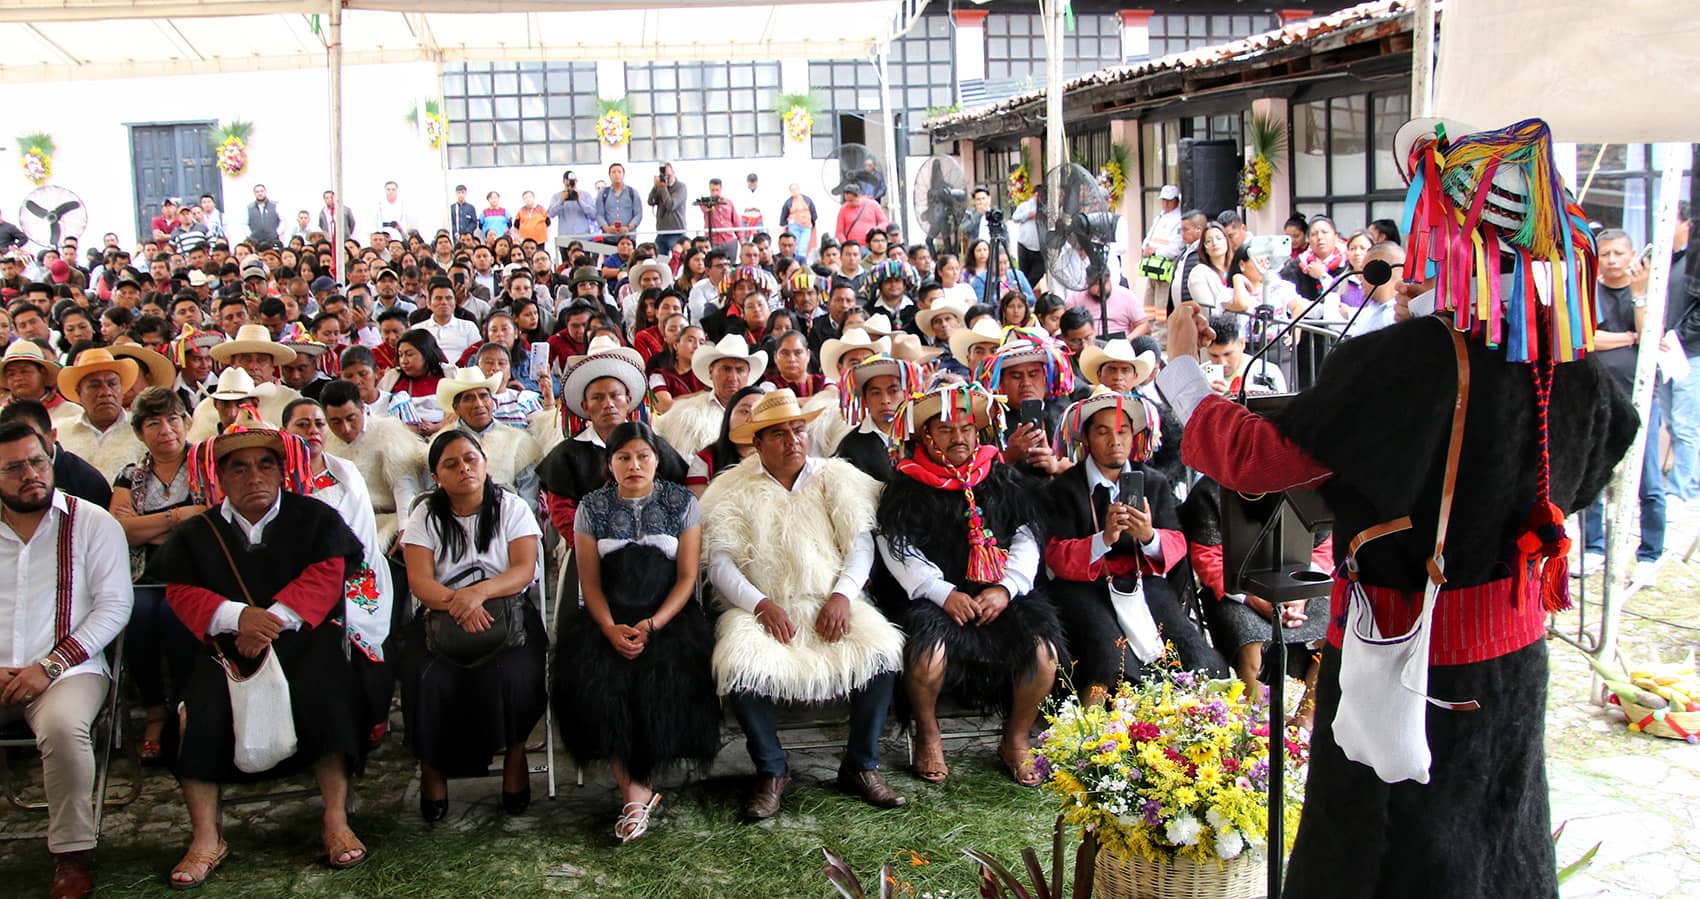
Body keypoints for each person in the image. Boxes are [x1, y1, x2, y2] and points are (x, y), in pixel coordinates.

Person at [1153, 118, 1637, 898]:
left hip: (1404, 664)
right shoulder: (1565, 354)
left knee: (1383, 855)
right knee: (1496, 848)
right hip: (1512, 657)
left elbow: (1246, 458)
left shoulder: (1409, 359)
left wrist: (1181, 368)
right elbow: (1595, 458)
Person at [146, 408, 370, 886]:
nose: (254, 476)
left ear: (281, 468)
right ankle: (208, 836)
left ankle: (335, 820)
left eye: (265, 464)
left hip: (302, 641)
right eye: (240, 467)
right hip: (223, 650)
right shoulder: (196, 533)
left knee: (326, 690)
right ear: (221, 475)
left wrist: (268, 623)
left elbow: (328, 575)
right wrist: (237, 619)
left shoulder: (315, 518)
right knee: (198, 708)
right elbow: (181, 592)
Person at [701, 389, 907, 820]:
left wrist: (842, 595)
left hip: (831, 599)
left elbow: (861, 545)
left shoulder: (837, 476)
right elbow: (720, 562)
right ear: (757, 443)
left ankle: (860, 765)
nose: (793, 440)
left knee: (883, 650)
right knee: (737, 661)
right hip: (762, 604)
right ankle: (772, 770)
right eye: (778, 434)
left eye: (799, 430)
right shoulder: (730, 488)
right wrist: (759, 605)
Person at [874, 381, 1063, 785]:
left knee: (1044, 654)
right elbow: (897, 546)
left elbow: (1027, 535)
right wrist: (943, 593)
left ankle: (1015, 739)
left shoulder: (999, 476)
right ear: (926, 434)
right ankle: (928, 735)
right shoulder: (907, 483)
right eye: (945, 429)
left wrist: (1006, 588)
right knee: (928, 657)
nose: (958, 437)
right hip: (938, 596)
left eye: (966, 428)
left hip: (1000, 592)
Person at [553, 422, 719, 842]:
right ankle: (634, 795)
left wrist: (653, 624)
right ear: (609, 463)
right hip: (607, 616)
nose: (634, 465)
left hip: (668, 616)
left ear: (657, 459)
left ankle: (638, 791)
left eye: (643, 456)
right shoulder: (592, 507)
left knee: (658, 675)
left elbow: (686, 579)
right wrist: (609, 627)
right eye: (623, 457)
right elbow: (588, 582)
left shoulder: (682, 503)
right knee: (604, 680)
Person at [0, 420, 131, 899]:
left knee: (62, 728)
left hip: (68, 671)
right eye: (13, 467)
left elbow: (115, 606)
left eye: (37, 461)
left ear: (51, 456)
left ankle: (70, 857)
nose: (30, 474)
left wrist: (48, 667)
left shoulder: (92, 521)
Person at [400, 429, 546, 820]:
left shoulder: (512, 507)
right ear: (437, 477)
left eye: (470, 458)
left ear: (484, 462)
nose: (464, 468)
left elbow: (522, 570)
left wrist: (478, 594)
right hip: (441, 612)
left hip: (507, 608)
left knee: (517, 672)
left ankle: (515, 757)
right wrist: (459, 602)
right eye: (451, 463)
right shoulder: (425, 514)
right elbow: (420, 581)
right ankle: (432, 768)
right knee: (424, 675)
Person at [1043, 387, 1224, 694]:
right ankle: (1102, 732)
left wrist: (1149, 536)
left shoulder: (1153, 482)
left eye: (1122, 431)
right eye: (1102, 432)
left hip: (1143, 580)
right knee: (1109, 658)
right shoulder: (1063, 489)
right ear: (1086, 439)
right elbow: (1055, 555)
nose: (1115, 440)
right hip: (1084, 588)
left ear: (1133, 435)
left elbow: (1177, 541)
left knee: (1193, 653)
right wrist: (1105, 538)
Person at [282, 399, 396, 744]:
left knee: (354, 629)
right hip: (290, 578)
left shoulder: (345, 475)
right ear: (285, 431)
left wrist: (331, 574)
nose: (313, 431)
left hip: (353, 574)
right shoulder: (276, 478)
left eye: (318, 424)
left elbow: (359, 538)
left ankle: (366, 716)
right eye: (302, 425)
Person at [109, 388, 211, 765]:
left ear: (186, 421)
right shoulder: (131, 473)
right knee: (134, 614)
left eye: (172, 419)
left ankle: (187, 708)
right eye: (153, 422)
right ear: (139, 432)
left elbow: (211, 518)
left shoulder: (207, 464)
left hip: (197, 570)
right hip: (146, 573)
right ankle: (155, 712)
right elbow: (119, 529)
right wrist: (179, 516)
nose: (165, 429)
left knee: (176, 614)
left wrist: (145, 524)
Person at [1580, 228, 1665, 585]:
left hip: (1640, 396)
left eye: (1619, 253)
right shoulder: (1590, 293)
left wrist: (1638, 295)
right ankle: (1594, 547)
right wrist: (1627, 337)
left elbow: (1651, 339)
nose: (1613, 260)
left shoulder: (1645, 291)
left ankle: (1650, 553)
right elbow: (1589, 337)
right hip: (1600, 397)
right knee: (1594, 475)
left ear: (1631, 255)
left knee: (1648, 480)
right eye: (1607, 254)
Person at [539, 336, 687, 536]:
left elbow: (680, 495)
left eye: (615, 395)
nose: (608, 404)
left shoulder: (654, 445)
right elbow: (562, 513)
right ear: (585, 406)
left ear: (628, 399)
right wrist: (594, 544)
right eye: (597, 398)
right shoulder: (566, 454)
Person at [321, 379, 427, 549]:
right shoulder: (324, 440)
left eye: (351, 418)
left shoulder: (388, 431)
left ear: (363, 408)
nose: (345, 428)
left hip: (385, 521)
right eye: (336, 422)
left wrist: (406, 527)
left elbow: (404, 485)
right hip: (343, 523)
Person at [437, 367, 543, 512]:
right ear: (456, 408)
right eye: (469, 398)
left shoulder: (519, 442)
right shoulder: (440, 444)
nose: (478, 404)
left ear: (493, 402)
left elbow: (528, 498)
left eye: (483, 396)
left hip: (509, 520)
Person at [654, 333, 764, 457]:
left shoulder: (763, 413)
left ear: (748, 374)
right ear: (711, 372)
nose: (733, 378)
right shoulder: (687, 415)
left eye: (740, 370)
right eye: (726, 369)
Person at [189, 324, 301, 440]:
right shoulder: (206, 408)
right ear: (232, 363)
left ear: (273, 366)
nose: (253, 366)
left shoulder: (291, 401)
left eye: (261, 360)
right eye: (245, 359)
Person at [56, 348, 146, 482]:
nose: (106, 392)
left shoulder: (144, 428)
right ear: (79, 393)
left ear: (122, 390)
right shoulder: (60, 432)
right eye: (95, 385)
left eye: (112, 384)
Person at [0, 399, 111, 507]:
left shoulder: (85, 480)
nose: (22, 444)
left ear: (52, 435)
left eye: (32, 436)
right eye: (13, 438)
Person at [835, 353, 924, 482]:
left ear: (906, 394)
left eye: (893, 391)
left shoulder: (921, 435)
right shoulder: (851, 448)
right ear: (865, 399)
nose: (885, 400)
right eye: (876, 393)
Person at [3, 339, 84, 428]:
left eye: (24, 371)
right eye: (11, 374)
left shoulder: (72, 413)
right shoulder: (2, 415)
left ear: (43, 373)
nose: (17, 378)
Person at [648, 163, 689, 256]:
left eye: (669, 175)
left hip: (676, 231)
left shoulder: (681, 187)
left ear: (674, 173)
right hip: (661, 231)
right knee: (661, 260)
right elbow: (650, 201)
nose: (667, 178)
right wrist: (655, 187)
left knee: (678, 259)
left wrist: (663, 188)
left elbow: (671, 205)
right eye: (664, 176)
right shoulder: (661, 186)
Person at [548, 171, 598, 243]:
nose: (570, 184)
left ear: (576, 181)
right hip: (565, 238)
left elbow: (593, 215)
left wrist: (580, 201)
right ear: (563, 181)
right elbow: (551, 214)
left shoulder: (585, 195)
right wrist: (561, 201)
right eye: (568, 181)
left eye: (572, 181)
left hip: (583, 237)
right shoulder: (557, 196)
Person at [834, 183, 888, 247]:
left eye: (851, 200)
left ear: (859, 196)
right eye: (847, 200)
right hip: (852, 247)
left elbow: (884, 222)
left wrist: (874, 230)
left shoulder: (873, 205)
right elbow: (839, 232)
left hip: (871, 245)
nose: (849, 203)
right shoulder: (844, 209)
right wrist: (846, 245)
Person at [596, 163, 644, 236]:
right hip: (609, 238)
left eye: (619, 172)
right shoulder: (603, 193)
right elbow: (599, 214)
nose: (616, 174)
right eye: (613, 172)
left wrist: (628, 228)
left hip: (628, 238)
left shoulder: (632, 192)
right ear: (609, 175)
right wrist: (607, 228)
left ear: (623, 174)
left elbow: (638, 214)